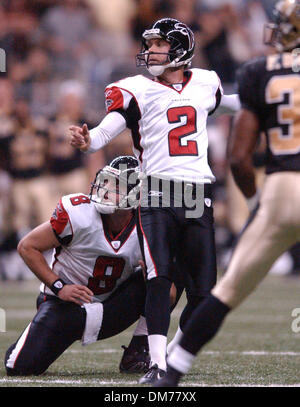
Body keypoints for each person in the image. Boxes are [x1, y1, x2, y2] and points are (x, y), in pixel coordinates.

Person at [69, 18, 240, 384]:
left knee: (204, 292)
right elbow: (104, 132)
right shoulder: (136, 89)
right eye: (150, 45)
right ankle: (157, 364)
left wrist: (264, 97)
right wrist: (89, 141)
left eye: (159, 45)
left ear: (179, 49)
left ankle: (175, 356)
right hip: (158, 190)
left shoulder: (206, 83)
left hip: (196, 192)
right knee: (158, 277)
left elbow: (224, 105)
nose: (150, 51)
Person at [154, 0, 300, 387]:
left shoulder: (259, 72)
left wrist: (256, 204)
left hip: (284, 187)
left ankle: (171, 371)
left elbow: (238, 157)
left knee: (230, 287)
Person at [4, 156, 154, 376]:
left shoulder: (148, 224)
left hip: (111, 309)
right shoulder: (79, 212)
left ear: (136, 195)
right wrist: (59, 287)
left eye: (116, 186)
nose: (105, 190)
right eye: (106, 182)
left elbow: (168, 290)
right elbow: (28, 247)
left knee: (170, 271)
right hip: (66, 306)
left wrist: (153, 273)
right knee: (18, 367)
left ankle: (139, 350)